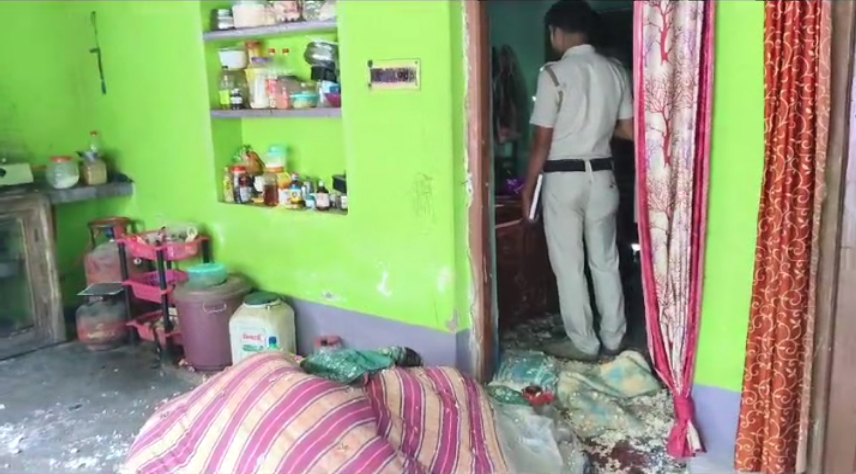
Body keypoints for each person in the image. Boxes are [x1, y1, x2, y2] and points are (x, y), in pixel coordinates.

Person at [521, 1, 634, 361]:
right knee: (605, 260)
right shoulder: (615, 71)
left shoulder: (553, 74)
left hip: (563, 179)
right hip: (603, 178)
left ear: (556, 32)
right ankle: (614, 338)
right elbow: (629, 131)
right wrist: (595, 126)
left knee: (569, 264)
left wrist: (528, 186)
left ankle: (584, 343)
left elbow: (542, 140)